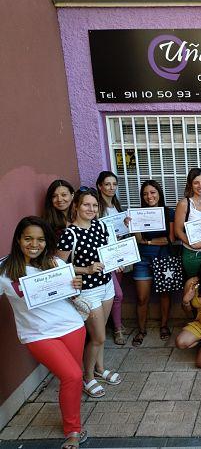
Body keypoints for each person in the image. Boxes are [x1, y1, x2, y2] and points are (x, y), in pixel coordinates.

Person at [0, 217, 86, 449]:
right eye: (28, 238)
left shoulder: (55, 263)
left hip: (72, 327)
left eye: (40, 239)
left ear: (47, 242)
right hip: (38, 334)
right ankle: (73, 431)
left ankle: (73, 416)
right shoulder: (6, 271)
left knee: (72, 378)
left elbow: (69, 297)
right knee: (73, 376)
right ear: (18, 240)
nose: (34, 244)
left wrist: (75, 287)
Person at [57, 188, 122, 398]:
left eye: (94, 205)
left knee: (100, 333)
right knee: (98, 336)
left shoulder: (101, 226)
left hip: (106, 285)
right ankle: (87, 377)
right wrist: (85, 269)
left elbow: (110, 251)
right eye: (86, 204)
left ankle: (100, 368)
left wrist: (118, 261)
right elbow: (58, 266)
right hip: (87, 291)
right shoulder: (70, 234)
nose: (91, 209)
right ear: (76, 206)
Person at [131, 180, 176, 346]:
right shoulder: (137, 214)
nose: (149, 196)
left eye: (153, 192)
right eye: (145, 193)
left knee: (165, 294)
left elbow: (170, 239)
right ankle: (141, 330)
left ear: (159, 193)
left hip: (164, 258)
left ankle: (164, 325)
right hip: (142, 259)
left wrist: (149, 242)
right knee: (142, 297)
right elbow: (138, 239)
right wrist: (132, 227)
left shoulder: (169, 212)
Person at [95, 171, 127, 346]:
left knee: (116, 292)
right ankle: (117, 329)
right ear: (100, 186)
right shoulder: (97, 208)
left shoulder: (116, 205)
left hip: (119, 253)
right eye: (107, 184)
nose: (111, 187)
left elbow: (119, 232)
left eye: (114, 184)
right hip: (105, 256)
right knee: (117, 295)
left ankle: (117, 322)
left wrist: (127, 224)